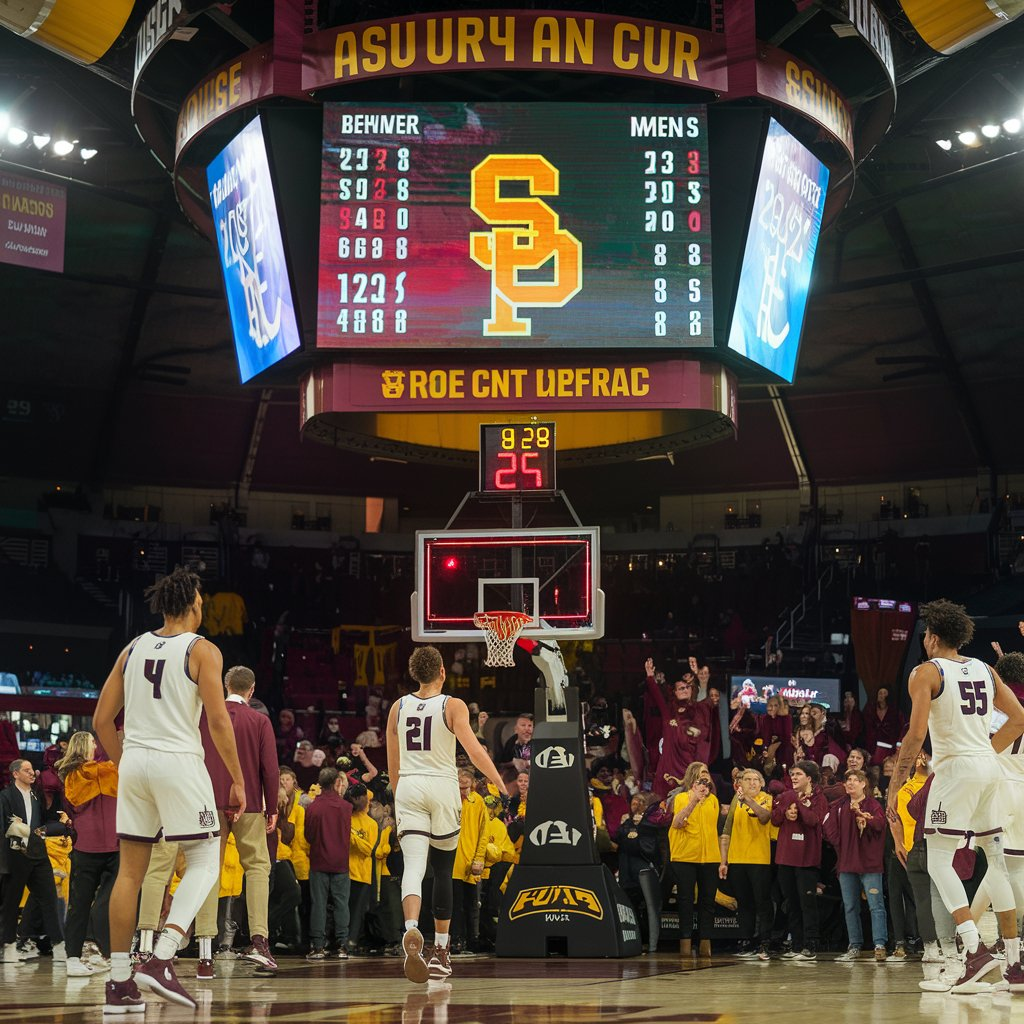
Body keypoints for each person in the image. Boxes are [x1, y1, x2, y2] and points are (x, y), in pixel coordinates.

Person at [93, 566, 246, 1013]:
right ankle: (162, 957)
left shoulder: (132, 647)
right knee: (205, 857)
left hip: (135, 760)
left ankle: (119, 982)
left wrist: (127, 764)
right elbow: (218, 721)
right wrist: (237, 778)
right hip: (177, 760)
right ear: (194, 605)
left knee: (130, 873)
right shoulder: (203, 650)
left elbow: (102, 721)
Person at [886, 599, 1024, 993]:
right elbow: (1019, 719)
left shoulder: (925, 673)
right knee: (994, 861)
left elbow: (915, 735)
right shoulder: (984, 668)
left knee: (938, 861)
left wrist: (894, 787)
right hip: (989, 769)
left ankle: (974, 951)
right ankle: (1014, 964)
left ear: (931, 637)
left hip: (956, 771)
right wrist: (984, 753)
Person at [386, 645, 504, 985]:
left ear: (414, 674)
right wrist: (498, 781)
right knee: (442, 870)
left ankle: (410, 930)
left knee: (413, 866)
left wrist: (399, 796)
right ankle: (440, 951)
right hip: (441, 785)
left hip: (408, 785)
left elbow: (393, 762)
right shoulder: (452, 705)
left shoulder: (398, 706)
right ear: (442, 672)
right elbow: (473, 749)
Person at [195, 665, 280, 978]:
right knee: (257, 867)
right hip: (250, 803)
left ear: (225, 685)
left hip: (207, 801)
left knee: (207, 870)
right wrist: (273, 807)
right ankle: (259, 941)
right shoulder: (259, 720)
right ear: (252, 690)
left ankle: (205, 953)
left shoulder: (204, 715)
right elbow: (270, 769)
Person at [56, 732, 119, 976]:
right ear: (86, 745)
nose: (96, 744)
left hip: (88, 846)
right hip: (111, 845)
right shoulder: (110, 770)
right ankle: (107, 952)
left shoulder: (72, 776)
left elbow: (71, 809)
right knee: (102, 902)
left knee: (80, 905)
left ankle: (76, 957)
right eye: (93, 741)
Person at [1, 757, 69, 964]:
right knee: (11, 903)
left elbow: (41, 824)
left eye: (32, 770)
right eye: (27, 770)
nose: (32, 773)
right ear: (15, 774)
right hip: (15, 855)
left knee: (49, 898)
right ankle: (9, 946)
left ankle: (59, 946)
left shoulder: (36, 795)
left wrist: (60, 825)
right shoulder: (5, 796)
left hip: (38, 854)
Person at [824, 768, 888, 961]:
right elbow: (828, 829)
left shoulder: (873, 804)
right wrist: (840, 845)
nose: (850, 783)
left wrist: (866, 820)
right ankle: (854, 945)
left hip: (870, 865)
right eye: (848, 780)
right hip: (846, 864)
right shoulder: (838, 806)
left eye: (855, 780)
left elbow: (879, 824)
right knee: (850, 906)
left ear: (863, 784)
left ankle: (880, 944)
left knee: (876, 905)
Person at [771, 760, 828, 961]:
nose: (794, 778)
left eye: (798, 775)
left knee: (807, 903)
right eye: (792, 774)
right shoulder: (786, 796)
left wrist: (800, 806)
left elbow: (814, 820)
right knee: (791, 903)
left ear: (809, 778)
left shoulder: (820, 798)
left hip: (807, 859)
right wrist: (785, 811)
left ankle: (810, 944)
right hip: (786, 858)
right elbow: (775, 820)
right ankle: (796, 945)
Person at [719, 769, 773, 960]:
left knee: (762, 902)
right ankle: (746, 940)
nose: (751, 783)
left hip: (759, 859)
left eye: (755, 779)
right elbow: (726, 831)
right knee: (744, 903)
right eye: (747, 779)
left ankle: (765, 942)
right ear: (739, 783)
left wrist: (748, 801)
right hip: (737, 858)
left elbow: (765, 817)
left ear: (761, 783)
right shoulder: (735, 800)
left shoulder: (766, 798)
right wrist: (723, 861)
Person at [668, 761, 719, 958]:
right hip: (685, 857)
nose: (704, 779)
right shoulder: (681, 797)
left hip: (710, 857)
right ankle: (685, 945)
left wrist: (722, 860)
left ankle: (706, 944)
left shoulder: (713, 800)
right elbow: (677, 822)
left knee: (708, 901)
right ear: (692, 780)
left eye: (706, 774)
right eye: (699, 776)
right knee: (686, 900)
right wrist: (694, 801)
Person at [303, 767, 352, 961]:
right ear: (335, 783)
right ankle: (341, 945)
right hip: (340, 861)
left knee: (319, 904)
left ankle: (318, 946)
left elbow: (309, 836)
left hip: (319, 860)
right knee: (341, 904)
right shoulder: (345, 807)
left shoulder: (313, 807)